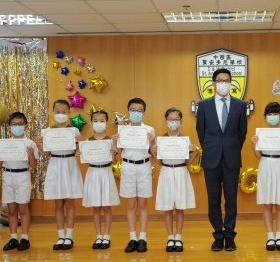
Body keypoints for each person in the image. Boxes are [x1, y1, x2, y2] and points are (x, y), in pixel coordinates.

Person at [196, 68, 248, 252]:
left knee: (231, 200)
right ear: (213, 83)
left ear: (231, 83)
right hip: (211, 158)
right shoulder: (204, 105)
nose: (223, 84)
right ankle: (218, 235)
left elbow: (242, 133)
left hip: (232, 158)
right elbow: (201, 132)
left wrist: (230, 147)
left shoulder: (240, 105)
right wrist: (213, 147)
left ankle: (230, 236)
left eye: (227, 80)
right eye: (220, 81)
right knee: (213, 199)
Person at [36, 99, 83, 251]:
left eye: (64, 112)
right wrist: (39, 145)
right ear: (53, 113)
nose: (61, 114)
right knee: (58, 203)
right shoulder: (48, 131)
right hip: (55, 164)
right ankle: (60, 235)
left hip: (69, 164)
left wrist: (79, 143)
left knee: (69, 202)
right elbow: (48, 153)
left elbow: (78, 152)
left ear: (69, 112)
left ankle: (69, 236)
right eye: (57, 112)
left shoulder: (74, 131)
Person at [151, 107, 198, 253]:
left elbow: (187, 162)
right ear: (166, 121)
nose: (173, 122)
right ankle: (170, 237)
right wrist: (154, 153)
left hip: (181, 171)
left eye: (176, 119)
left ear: (181, 121)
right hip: (166, 172)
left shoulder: (185, 139)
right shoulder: (161, 140)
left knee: (180, 207)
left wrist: (194, 153)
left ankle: (178, 237)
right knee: (168, 207)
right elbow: (160, 163)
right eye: (170, 119)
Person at [112, 98, 155, 253]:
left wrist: (152, 142)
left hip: (144, 166)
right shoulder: (123, 130)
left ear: (144, 112)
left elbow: (153, 152)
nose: (136, 113)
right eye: (133, 110)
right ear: (128, 111)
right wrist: (115, 142)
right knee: (131, 205)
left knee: (142, 204)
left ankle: (142, 238)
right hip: (128, 166)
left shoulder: (149, 130)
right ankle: (132, 238)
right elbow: (120, 152)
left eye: (139, 110)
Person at [0, 112, 38, 251]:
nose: (17, 127)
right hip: (8, 176)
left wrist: (31, 154)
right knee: (11, 209)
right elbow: (0, 165)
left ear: (26, 126)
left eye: (20, 124)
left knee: (23, 209)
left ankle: (25, 238)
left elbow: (33, 165)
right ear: (9, 127)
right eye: (14, 124)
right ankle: (13, 238)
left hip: (22, 176)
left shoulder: (30, 144)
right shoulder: (4, 144)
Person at [250, 102, 280, 251]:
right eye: (269, 114)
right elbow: (258, 156)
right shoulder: (261, 134)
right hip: (266, 165)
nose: (272, 116)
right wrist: (254, 144)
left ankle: (279, 236)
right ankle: (270, 237)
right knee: (267, 203)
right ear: (265, 117)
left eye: (275, 114)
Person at [77, 110, 119, 250]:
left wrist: (113, 155)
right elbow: (85, 161)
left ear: (106, 123)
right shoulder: (86, 142)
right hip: (93, 173)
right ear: (91, 123)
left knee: (106, 206)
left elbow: (114, 162)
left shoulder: (110, 142)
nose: (99, 123)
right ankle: (98, 236)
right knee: (96, 207)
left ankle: (107, 236)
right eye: (96, 121)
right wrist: (81, 155)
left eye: (102, 121)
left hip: (106, 172)